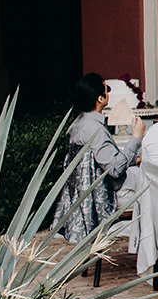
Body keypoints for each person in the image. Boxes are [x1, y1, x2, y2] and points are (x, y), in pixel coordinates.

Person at [51, 72, 146, 243]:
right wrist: (136, 138)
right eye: (107, 89)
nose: (109, 93)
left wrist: (133, 159)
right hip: (111, 193)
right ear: (100, 98)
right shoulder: (94, 130)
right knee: (156, 183)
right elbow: (115, 169)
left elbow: (103, 160)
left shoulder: (78, 125)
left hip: (89, 193)